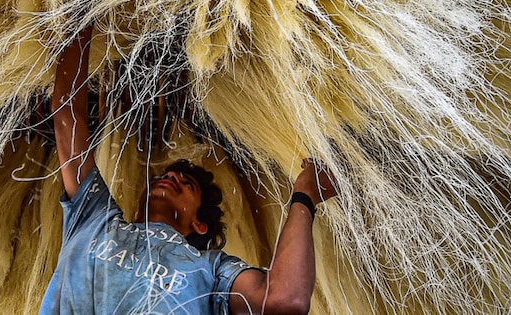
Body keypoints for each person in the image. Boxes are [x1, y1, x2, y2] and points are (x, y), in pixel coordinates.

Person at [39, 26, 337, 314]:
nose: (170, 177)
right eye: (167, 176)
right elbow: (66, 112)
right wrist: (84, 18)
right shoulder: (94, 218)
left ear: (199, 225)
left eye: (186, 184)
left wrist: (304, 195)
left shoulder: (210, 270)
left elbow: (284, 300)